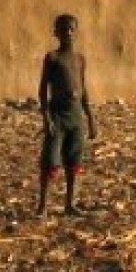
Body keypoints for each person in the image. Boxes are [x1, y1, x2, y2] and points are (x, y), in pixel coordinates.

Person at [36, 13, 97, 216]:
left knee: (74, 161)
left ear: (76, 32)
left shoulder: (80, 59)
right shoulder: (52, 58)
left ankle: (70, 205)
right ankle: (43, 207)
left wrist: (90, 118)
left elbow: (83, 89)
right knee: (51, 162)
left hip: (76, 116)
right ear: (56, 33)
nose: (68, 33)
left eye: (71, 29)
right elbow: (43, 89)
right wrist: (46, 118)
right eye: (63, 29)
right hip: (58, 115)